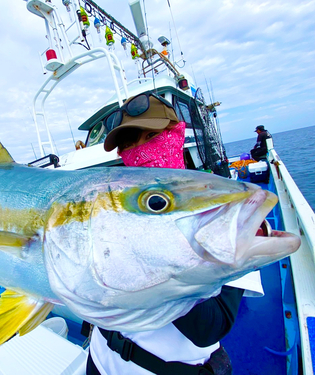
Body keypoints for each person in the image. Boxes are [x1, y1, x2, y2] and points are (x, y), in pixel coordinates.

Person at [87, 92, 256, 375]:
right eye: (129, 143)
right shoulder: (111, 208)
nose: (139, 151)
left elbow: (210, 327)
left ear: (175, 134)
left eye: (150, 136)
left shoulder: (224, 210)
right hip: (100, 358)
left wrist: (145, 254)